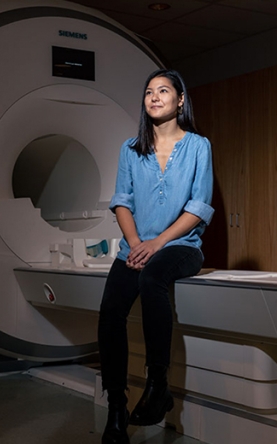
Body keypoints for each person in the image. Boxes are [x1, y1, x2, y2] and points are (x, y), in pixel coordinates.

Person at [98, 68, 214, 444]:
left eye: (164, 90)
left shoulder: (199, 146)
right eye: (149, 91)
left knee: (152, 279)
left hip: (181, 248)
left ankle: (158, 384)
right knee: (111, 311)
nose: (154, 97)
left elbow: (198, 207)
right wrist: (134, 243)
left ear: (180, 100)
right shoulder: (131, 149)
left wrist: (157, 243)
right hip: (136, 247)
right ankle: (116, 406)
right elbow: (122, 201)